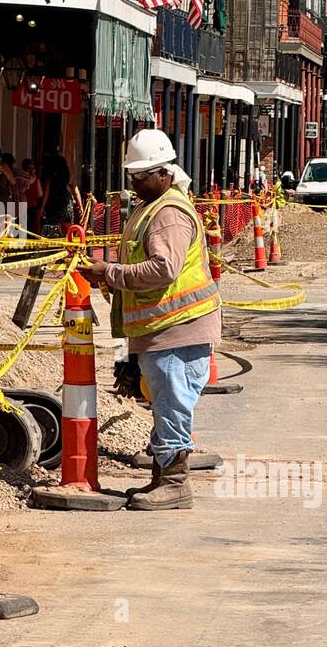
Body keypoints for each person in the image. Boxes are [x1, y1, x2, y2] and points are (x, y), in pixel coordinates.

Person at [78, 129, 221, 512]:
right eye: (132, 176)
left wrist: (109, 272)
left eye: (141, 176)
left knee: (173, 405)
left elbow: (164, 269)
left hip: (178, 327)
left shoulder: (168, 213)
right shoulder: (151, 205)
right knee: (165, 404)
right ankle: (162, 478)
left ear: (163, 173)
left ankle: (175, 484)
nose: (134, 182)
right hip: (161, 329)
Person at [39, 155, 83, 237]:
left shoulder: (50, 177)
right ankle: (71, 243)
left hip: (54, 201)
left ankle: (58, 245)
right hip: (66, 200)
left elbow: (46, 193)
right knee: (68, 225)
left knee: (55, 225)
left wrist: (42, 207)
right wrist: (80, 205)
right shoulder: (69, 176)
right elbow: (76, 191)